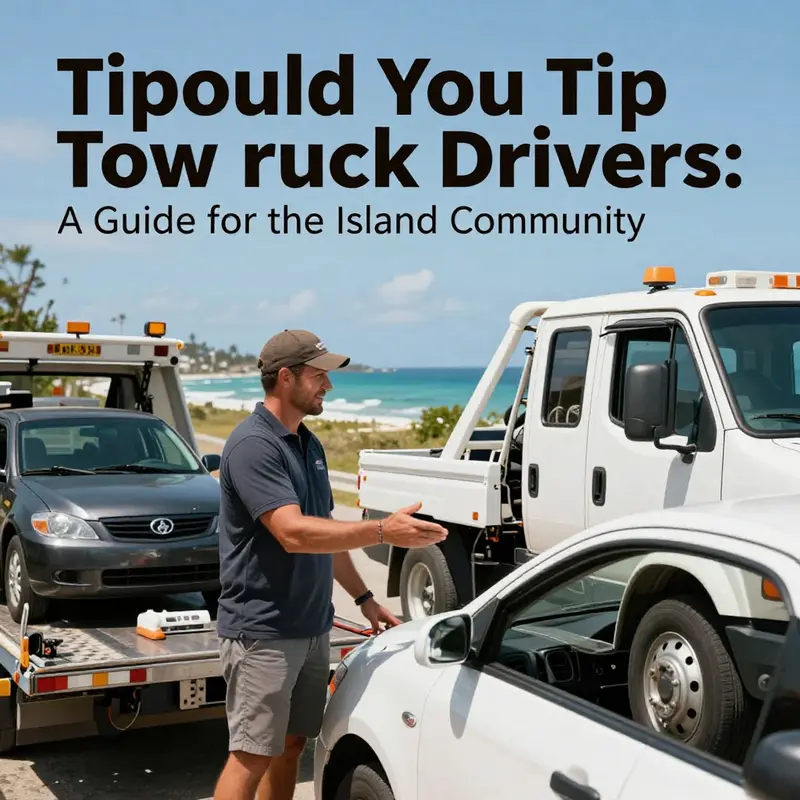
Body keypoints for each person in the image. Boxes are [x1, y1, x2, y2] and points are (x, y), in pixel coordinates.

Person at [212, 329, 448, 800]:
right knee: (252, 753)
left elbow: (324, 532)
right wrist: (383, 531)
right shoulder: (254, 445)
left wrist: (365, 600)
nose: (328, 386)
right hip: (262, 631)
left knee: (291, 745)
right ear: (285, 378)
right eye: (319, 376)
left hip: (310, 625)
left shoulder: (308, 444)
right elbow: (294, 532)